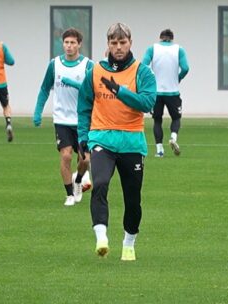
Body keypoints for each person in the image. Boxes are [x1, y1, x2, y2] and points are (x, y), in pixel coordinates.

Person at [77, 22, 156, 261]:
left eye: (123, 42)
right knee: (99, 183)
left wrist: (119, 90)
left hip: (132, 141)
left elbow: (147, 103)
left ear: (130, 43)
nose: (119, 47)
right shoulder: (96, 72)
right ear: (108, 45)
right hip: (102, 138)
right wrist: (83, 136)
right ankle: (101, 237)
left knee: (133, 199)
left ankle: (129, 242)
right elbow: (84, 106)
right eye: (114, 43)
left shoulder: (142, 72)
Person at [34, 28, 94, 206]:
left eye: (72, 43)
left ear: (79, 44)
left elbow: (93, 90)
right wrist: (38, 111)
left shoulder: (88, 65)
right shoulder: (54, 64)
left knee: (85, 159)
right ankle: (69, 195)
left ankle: (78, 180)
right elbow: (45, 88)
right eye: (66, 42)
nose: (69, 46)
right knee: (66, 156)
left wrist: (76, 85)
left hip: (83, 120)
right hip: (61, 119)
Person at [142, 29, 189, 157]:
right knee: (176, 118)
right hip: (172, 91)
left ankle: (159, 150)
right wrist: (178, 78)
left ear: (160, 38)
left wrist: (151, 80)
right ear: (172, 38)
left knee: (157, 120)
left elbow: (143, 66)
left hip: (156, 92)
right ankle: (173, 138)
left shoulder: (152, 48)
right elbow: (185, 68)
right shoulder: (179, 49)